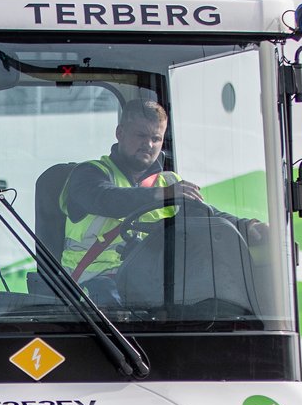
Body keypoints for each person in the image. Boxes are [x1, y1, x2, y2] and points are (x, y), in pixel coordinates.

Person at [46, 95, 200, 279]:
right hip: (90, 295)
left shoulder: (170, 183)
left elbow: (204, 214)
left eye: (156, 138)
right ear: (120, 133)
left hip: (150, 289)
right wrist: (162, 195)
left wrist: (241, 225)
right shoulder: (88, 173)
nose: (149, 144)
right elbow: (107, 200)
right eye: (141, 135)